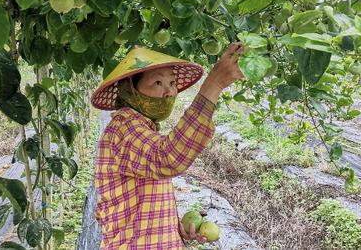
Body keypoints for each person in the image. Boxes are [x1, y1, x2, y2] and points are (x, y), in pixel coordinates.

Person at [90, 43, 245, 249]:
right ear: (130, 90)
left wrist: (175, 228)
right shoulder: (124, 127)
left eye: (172, 82)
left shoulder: (142, 128)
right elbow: (167, 158)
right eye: (157, 82)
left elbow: (140, 203)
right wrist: (214, 84)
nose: (170, 92)